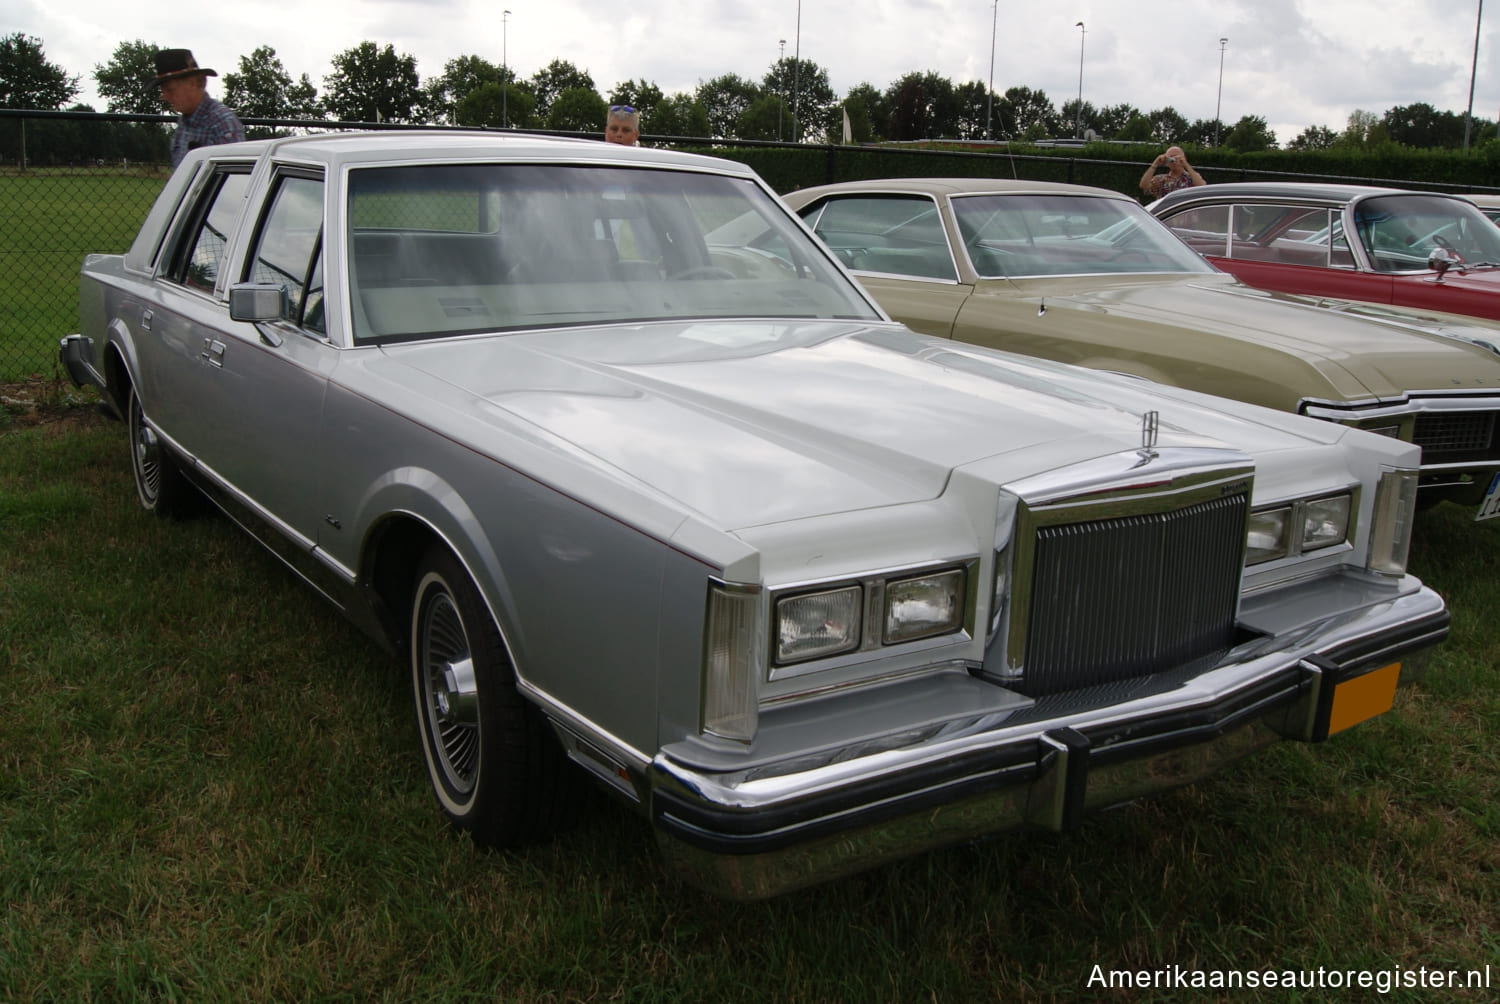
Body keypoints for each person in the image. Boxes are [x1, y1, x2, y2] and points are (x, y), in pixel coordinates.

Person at [156, 49, 245, 167]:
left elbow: (235, 179)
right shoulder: (184, 122)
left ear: (192, 84)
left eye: (169, 90)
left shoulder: (223, 125)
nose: (164, 97)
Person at [1139, 146, 1205, 199]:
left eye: (1176, 157)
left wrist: (1186, 164)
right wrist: (1155, 164)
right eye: (1170, 158)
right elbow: (1144, 186)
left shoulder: (1192, 177)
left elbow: (1202, 187)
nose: (1173, 161)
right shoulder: (1160, 179)